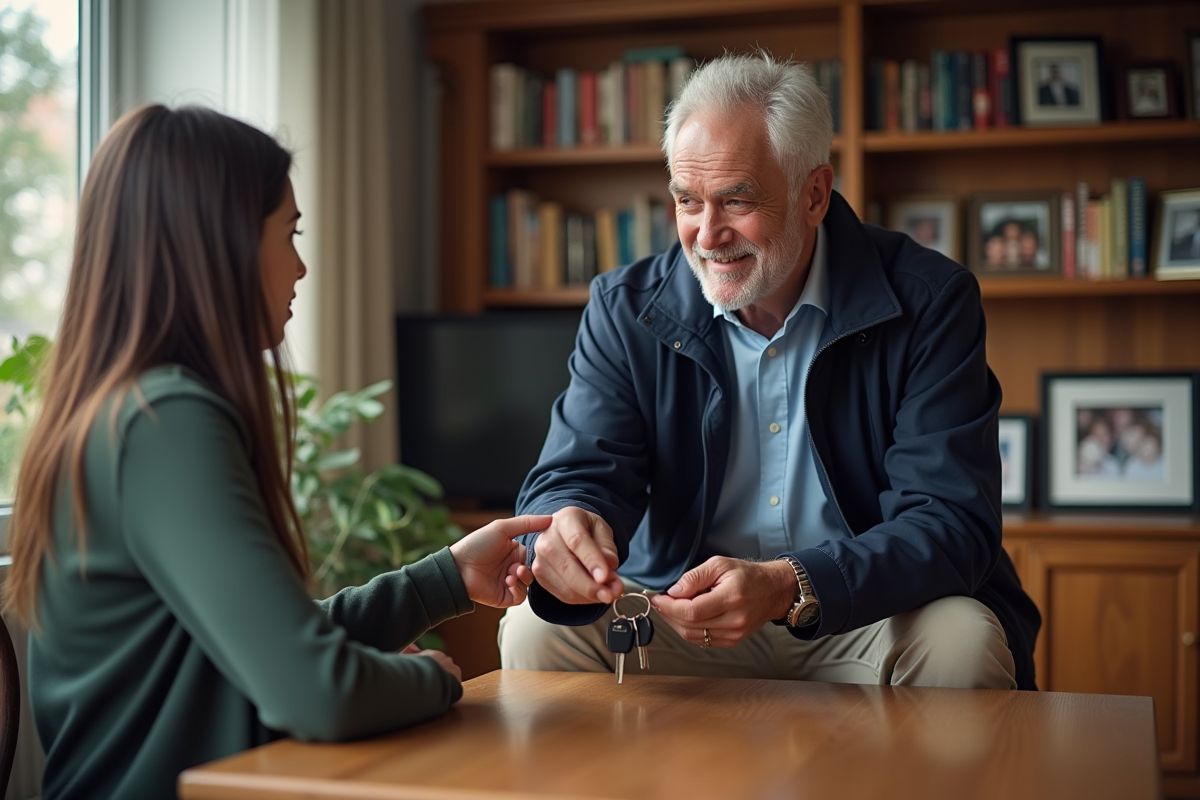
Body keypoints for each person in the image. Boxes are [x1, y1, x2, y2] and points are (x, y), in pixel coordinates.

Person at [2, 104, 549, 799]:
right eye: (288, 234)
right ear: (219, 243)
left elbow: (252, 649)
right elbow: (318, 691)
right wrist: (432, 678)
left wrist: (444, 578)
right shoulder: (165, 422)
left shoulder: (124, 409)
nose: (301, 265)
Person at [498, 53, 1041, 691]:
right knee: (537, 629)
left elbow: (950, 522)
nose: (706, 234)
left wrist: (791, 583)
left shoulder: (929, 300)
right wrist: (568, 525)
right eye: (686, 201)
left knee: (962, 642)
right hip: (682, 611)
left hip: (863, 614)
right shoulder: (625, 309)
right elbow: (577, 472)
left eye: (736, 199)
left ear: (814, 194)